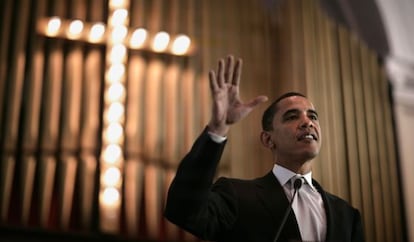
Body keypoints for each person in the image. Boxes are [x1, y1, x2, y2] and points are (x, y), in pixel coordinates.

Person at [164, 55, 365, 242]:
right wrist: (218, 128)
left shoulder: (347, 216)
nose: (307, 122)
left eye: (312, 116)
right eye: (292, 117)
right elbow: (183, 211)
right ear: (268, 140)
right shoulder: (237, 195)